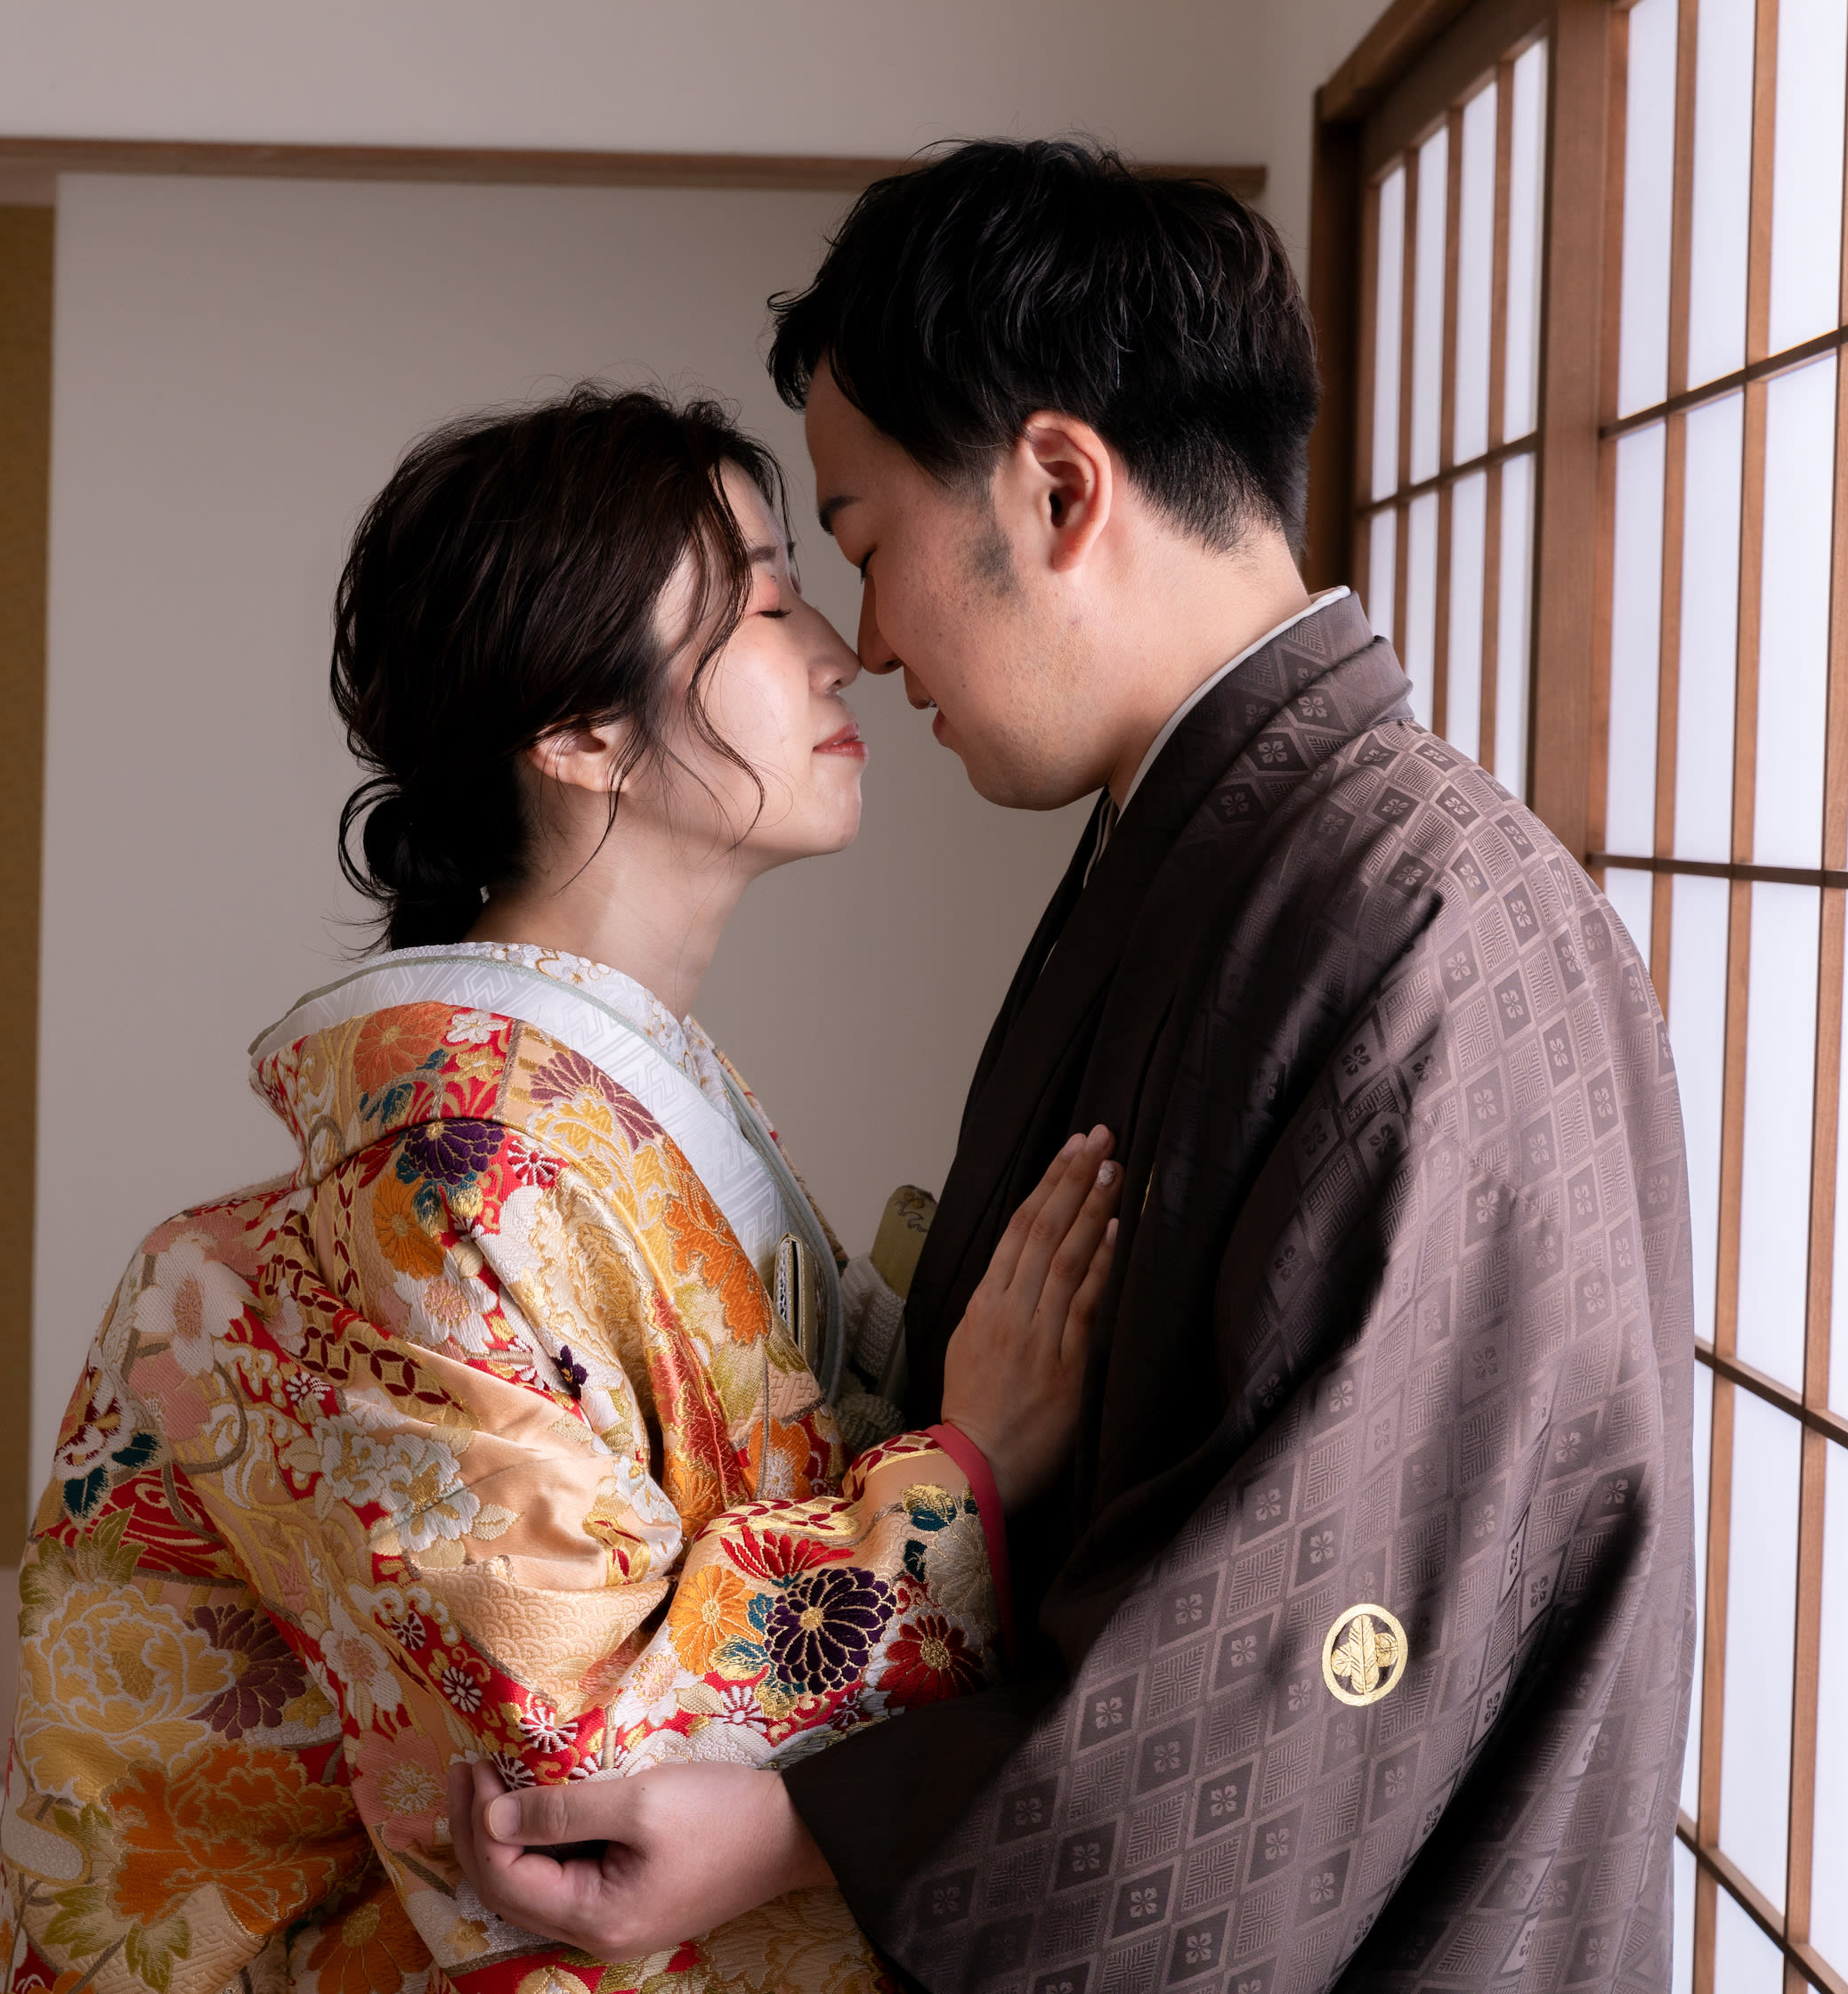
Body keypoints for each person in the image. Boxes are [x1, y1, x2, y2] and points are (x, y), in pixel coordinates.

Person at [449, 143, 1695, 1994]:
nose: (866, 641)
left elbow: (1297, 1687)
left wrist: (802, 1824)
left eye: (863, 544)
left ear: (1056, 487)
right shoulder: (1206, 853)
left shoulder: (1420, 931)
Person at [0, 385, 1131, 1994]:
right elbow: (571, 1785)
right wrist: (963, 1472)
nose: (844, 652)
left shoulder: (593, 1116)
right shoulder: (449, 1176)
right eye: (767, 603)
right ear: (580, 732)